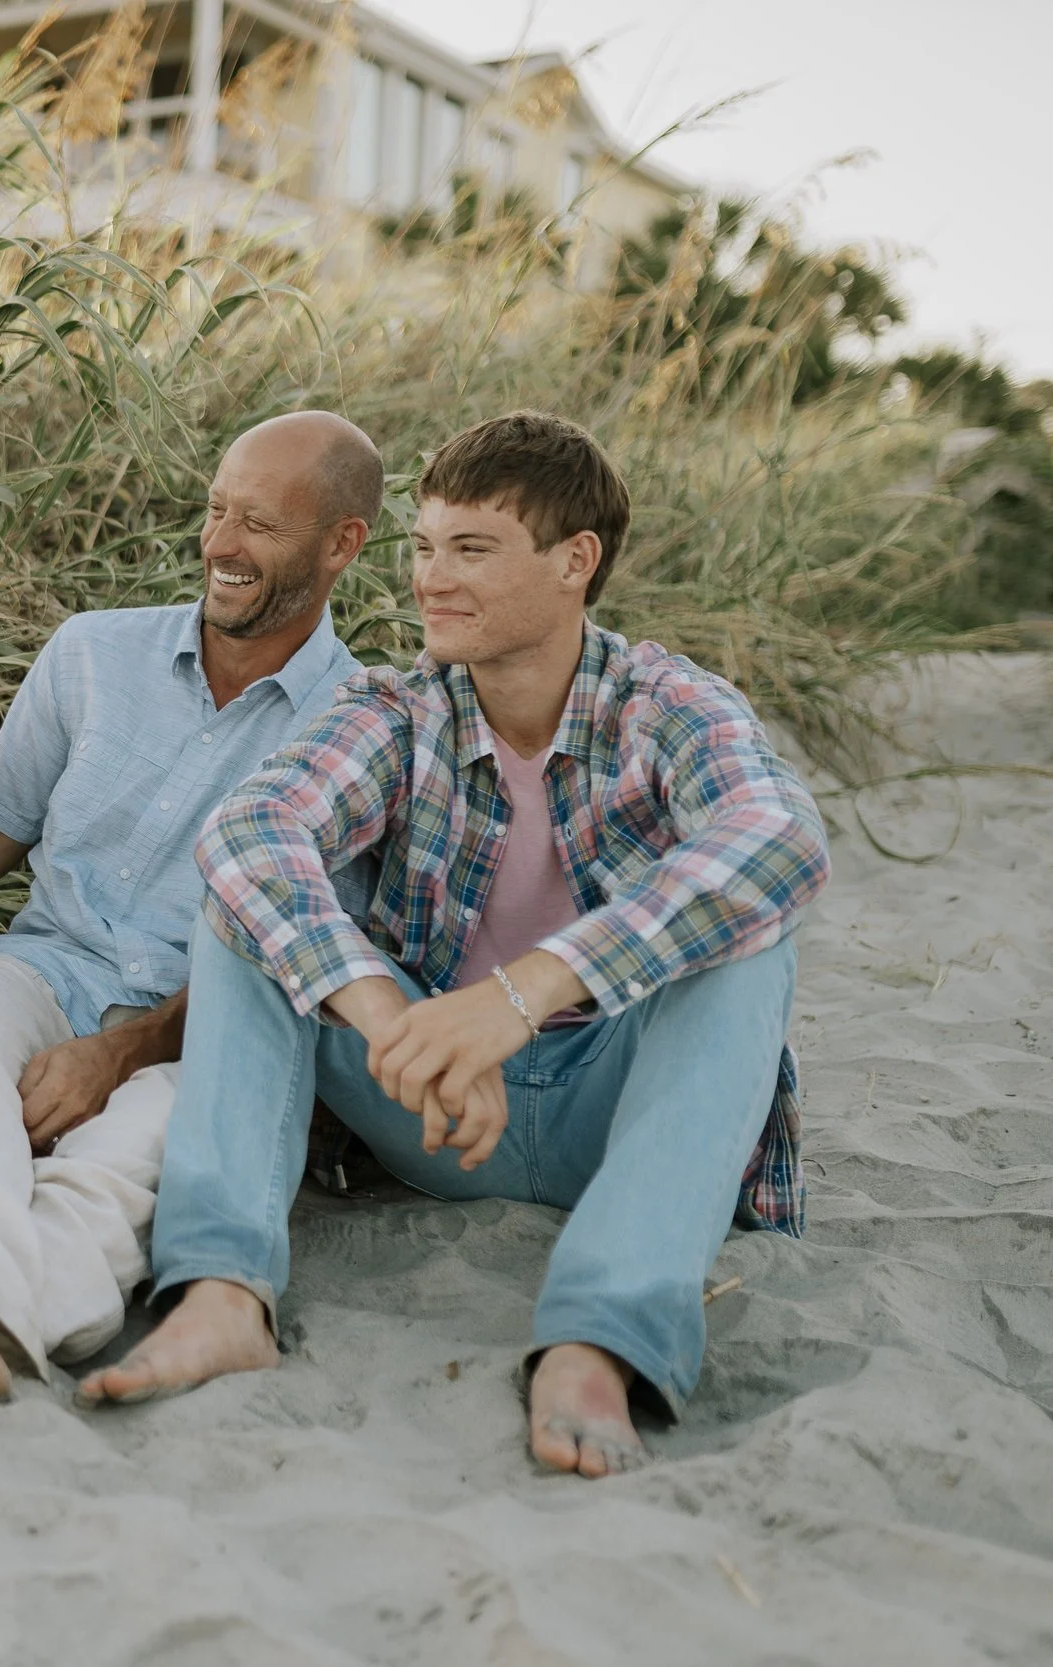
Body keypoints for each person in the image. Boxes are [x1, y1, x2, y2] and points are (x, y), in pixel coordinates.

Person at [87, 411, 829, 1478]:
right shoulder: (395, 706)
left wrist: (518, 996)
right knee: (247, 903)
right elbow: (251, 832)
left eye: (470, 549)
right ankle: (221, 1289)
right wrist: (398, 1017)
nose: (430, 578)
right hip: (429, 1100)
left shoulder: (665, 704)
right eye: (424, 547)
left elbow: (781, 836)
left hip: (607, 1112)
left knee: (748, 938)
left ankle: (596, 1337)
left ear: (576, 562)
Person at [0, 410, 385, 1430]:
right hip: (42, 965)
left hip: (204, 1027)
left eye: (261, 527)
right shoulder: (93, 654)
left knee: (123, 1166)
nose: (222, 546)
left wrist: (120, 1052)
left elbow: (299, 965)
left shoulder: (367, 724)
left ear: (342, 544)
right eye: (215, 510)